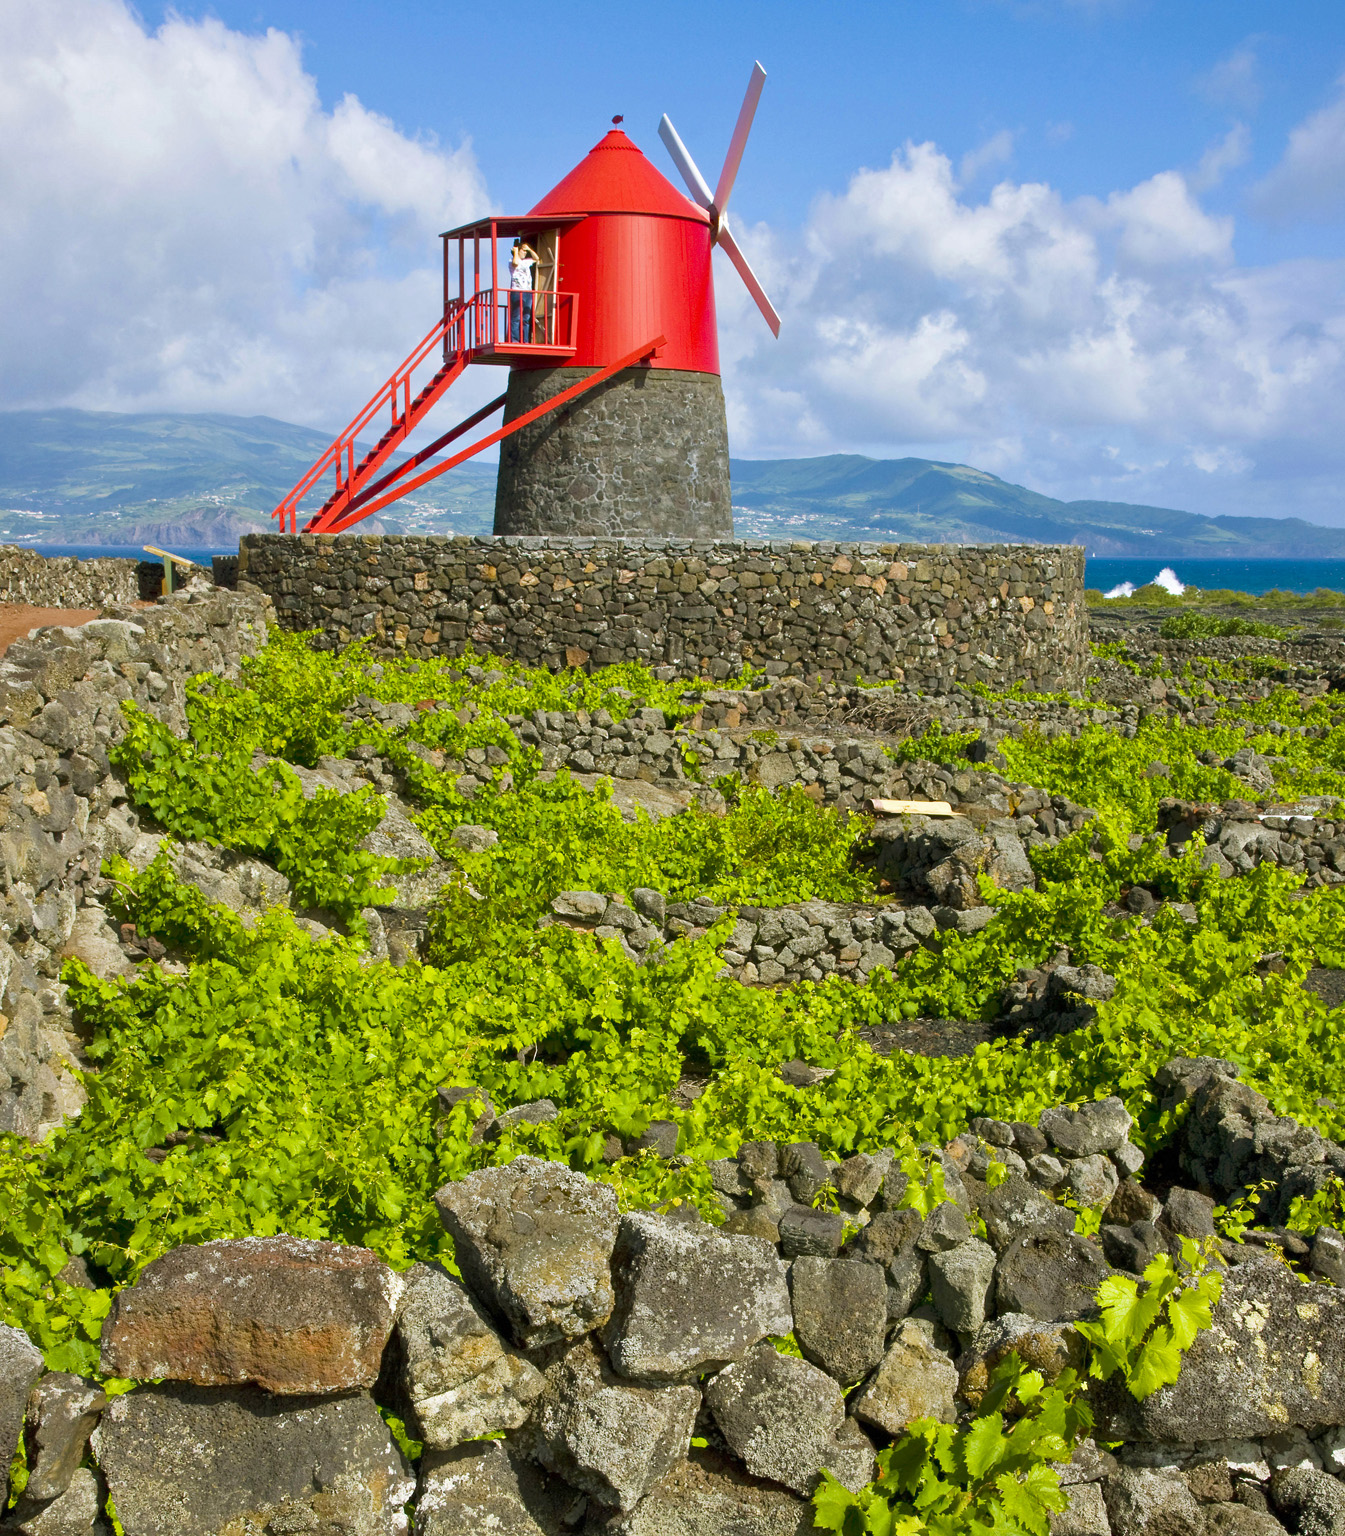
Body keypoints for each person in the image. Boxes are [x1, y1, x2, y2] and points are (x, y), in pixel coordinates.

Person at [508, 239, 537, 343]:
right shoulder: (511, 261)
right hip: (517, 291)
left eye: (525, 251)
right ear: (518, 251)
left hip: (527, 292)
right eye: (523, 251)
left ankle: (525, 340)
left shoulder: (526, 262)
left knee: (526, 318)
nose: (525, 253)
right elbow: (515, 263)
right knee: (516, 317)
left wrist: (529, 249)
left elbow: (537, 259)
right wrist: (515, 251)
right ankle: (515, 340)